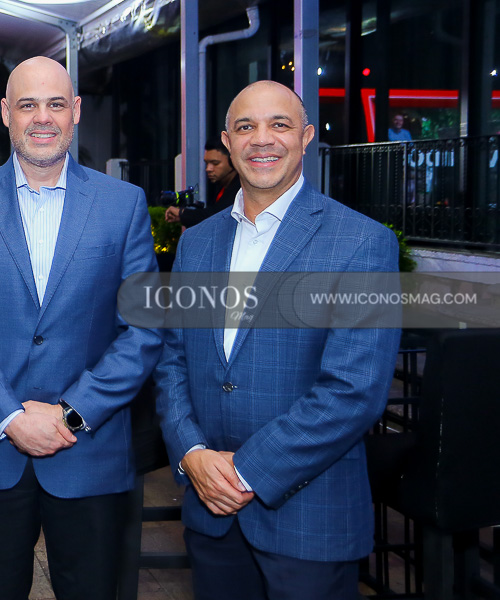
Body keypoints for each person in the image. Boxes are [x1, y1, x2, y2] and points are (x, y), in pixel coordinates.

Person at [154, 80, 402, 600]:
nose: (262, 139)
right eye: (246, 127)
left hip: (308, 520)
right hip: (210, 514)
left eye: (280, 125)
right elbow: (173, 360)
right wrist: (192, 453)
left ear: (306, 137)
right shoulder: (197, 244)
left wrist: (243, 473)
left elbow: (354, 391)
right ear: (228, 142)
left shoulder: (362, 242)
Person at [0, 56, 162, 600]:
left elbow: (143, 329)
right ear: (6, 113)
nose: (42, 117)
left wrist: (70, 413)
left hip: (89, 450)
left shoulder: (122, 204)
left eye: (55, 104)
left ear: (75, 111)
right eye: (28, 104)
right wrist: (10, 417)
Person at [166, 140, 241, 228]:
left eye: (215, 163)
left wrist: (182, 213)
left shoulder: (240, 189)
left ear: (233, 161)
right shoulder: (222, 187)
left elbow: (215, 216)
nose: (208, 169)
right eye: (207, 163)